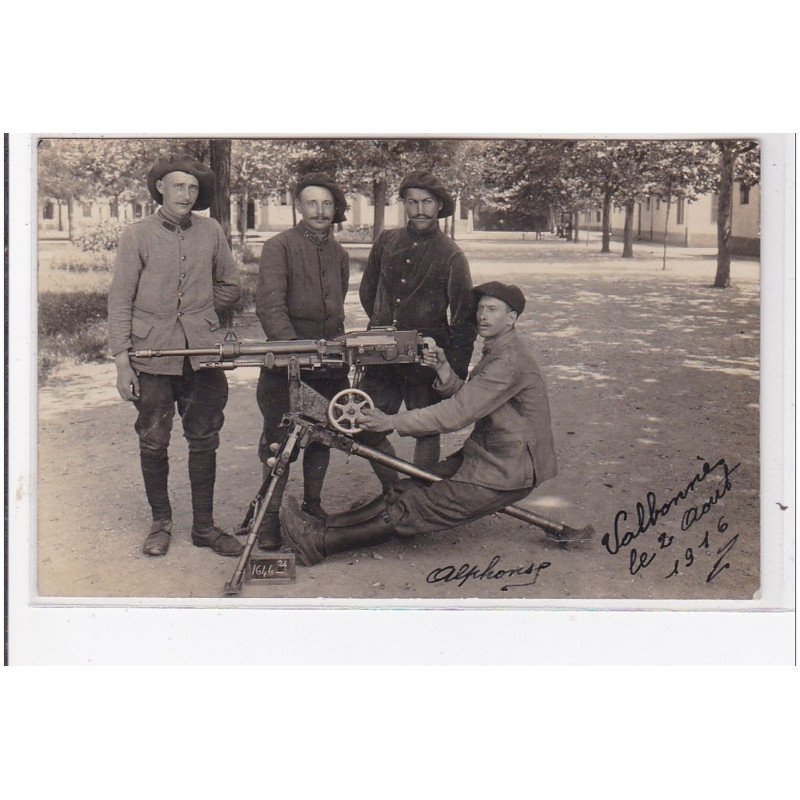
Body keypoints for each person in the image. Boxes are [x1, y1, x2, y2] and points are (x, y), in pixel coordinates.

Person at [279, 282, 557, 565]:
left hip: (507, 471)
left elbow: (457, 413)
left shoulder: (509, 361)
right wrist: (443, 370)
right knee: (406, 489)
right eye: (482, 308)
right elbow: (476, 399)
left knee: (412, 506)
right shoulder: (499, 350)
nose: (482, 315)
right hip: (489, 456)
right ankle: (321, 526)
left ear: (511, 319)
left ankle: (319, 543)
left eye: (493, 310)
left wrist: (390, 420)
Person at [108, 154, 243, 558]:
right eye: (178, 185)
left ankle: (204, 527)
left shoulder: (211, 230)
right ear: (160, 188)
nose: (186, 194)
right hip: (151, 356)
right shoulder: (138, 235)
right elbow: (120, 300)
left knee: (204, 439)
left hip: (202, 355)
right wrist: (122, 360)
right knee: (154, 441)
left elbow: (231, 286)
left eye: (194, 188)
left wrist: (199, 313)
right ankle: (161, 522)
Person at [357, 170, 477, 494]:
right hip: (381, 353)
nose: (420, 209)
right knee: (362, 423)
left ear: (439, 205)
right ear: (404, 205)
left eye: (427, 202)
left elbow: (465, 318)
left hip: (425, 359)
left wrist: (450, 370)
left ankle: (421, 499)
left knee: (426, 429)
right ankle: (395, 490)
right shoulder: (386, 242)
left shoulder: (451, 255)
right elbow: (367, 291)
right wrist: (384, 325)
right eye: (412, 202)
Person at [254, 173, 350, 550]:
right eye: (312, 203)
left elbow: (337, 302)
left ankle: (312, 507)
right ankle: (268, 520)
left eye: (327, 204)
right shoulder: (278, 247)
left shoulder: (339, 254)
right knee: (279, 442)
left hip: (330, 361)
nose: (320, 211)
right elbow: (270, 307)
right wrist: (297, 351)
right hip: (287, 360)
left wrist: (329, 352)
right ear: (299, 207)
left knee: (323, 435)